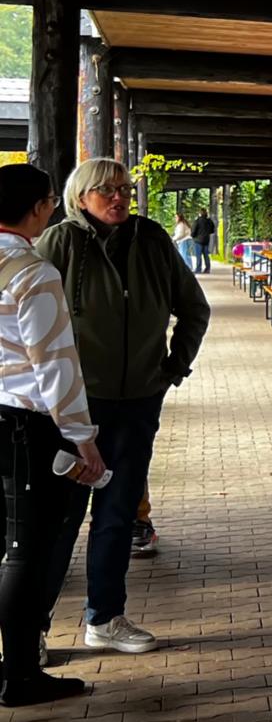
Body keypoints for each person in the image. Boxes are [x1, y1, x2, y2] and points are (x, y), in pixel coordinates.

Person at [35, 158, 210, 656]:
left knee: (116, 514)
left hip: (138, 402)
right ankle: (34, 628)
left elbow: (194, 307)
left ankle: (105, 618)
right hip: (73, 406)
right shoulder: (60, 242)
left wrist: (172, 368)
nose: (118, 198)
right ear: (81, 196)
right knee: (60, 518)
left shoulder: (151, 240)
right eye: (106, 190)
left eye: (124, 190)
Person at [0, 164, 103, 706]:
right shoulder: (32, 272)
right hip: (20, 424)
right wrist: (82, 436)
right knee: (24, 550)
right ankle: (19, 674)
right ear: (40, 207)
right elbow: (54, 364)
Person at [190, 208, 215, 274]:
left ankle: (198, 269)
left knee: (198, 255)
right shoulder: (209, 221)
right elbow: (212, 230)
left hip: (198, 241)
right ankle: (207, 269)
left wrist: (193, 236)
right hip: (206, 240)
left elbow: (193, 231)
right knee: (206, 255)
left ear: (200, 213)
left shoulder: (197, 221)